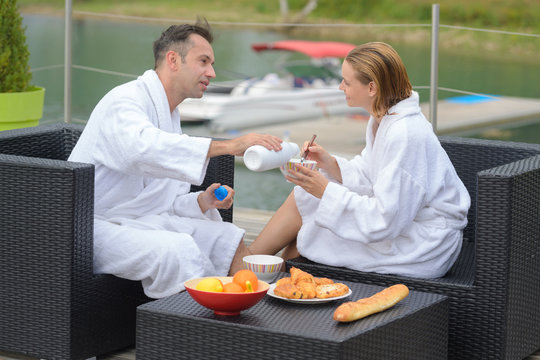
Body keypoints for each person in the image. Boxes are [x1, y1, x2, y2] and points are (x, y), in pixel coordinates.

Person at [68, 19, 282, 299]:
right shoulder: (124, 101)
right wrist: (229, 146)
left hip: (142, 222)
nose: (212, 72)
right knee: (177, 250)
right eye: (203, 61)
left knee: (227, 237)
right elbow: (141, 149)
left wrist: (202, 201)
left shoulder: (170, 115)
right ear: (173, 60)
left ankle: (256, 313)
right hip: (93, 229)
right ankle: (193, 330)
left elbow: (161, 201)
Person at [249, 42, 471, 279]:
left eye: (347, 81)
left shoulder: (405, 134)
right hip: (404, 227)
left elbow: (386, 220)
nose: (340, 86)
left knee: (303, 233)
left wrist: (325, 190)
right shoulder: (383, 118)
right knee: (305, 201)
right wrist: (329, 163)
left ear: (372, 87)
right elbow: (370, 173)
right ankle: (256, 272)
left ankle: (250, 272)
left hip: (423, 245)